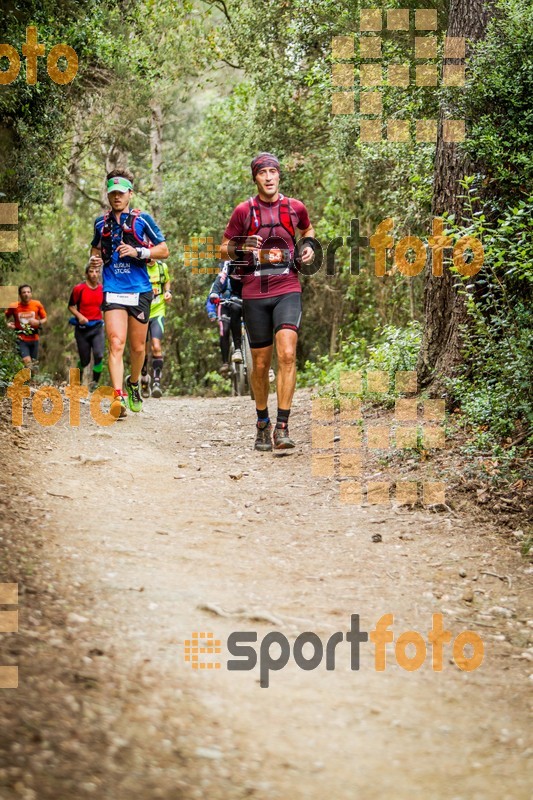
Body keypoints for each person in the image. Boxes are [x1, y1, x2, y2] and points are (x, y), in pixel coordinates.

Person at [220, 153, 315, 451]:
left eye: (274, 171)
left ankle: (283, 426)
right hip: (254, 291)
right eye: (264, 173)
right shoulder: (243, 211)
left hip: (287, 286)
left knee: (287, 353)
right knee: (260, 364)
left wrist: (308, 246)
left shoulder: (295, 207)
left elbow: (307, 230)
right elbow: (223, 249)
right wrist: (240, 245)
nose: (269, 177)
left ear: (279, 176)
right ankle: (263, 422)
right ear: (256, 178)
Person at [88, 168, 169, 418]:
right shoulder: (101, 223)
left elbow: (164, 250)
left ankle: (134, 383)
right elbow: (94, 250)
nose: (116, 197)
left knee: (137, 349)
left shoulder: (142, 220)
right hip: (113, 289)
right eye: (112, 193)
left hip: (140, 290)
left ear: (130, 194)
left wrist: (139, 252)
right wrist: (94, 262)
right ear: (108, 194)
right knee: (115, 343)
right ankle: (118, 396)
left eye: (121, 193)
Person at [68, 263, 105, 390]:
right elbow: (71, 306)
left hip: (97, 327)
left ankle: (94, 384)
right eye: (91, 271)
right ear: (86, 274)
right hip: (82, 329)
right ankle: (76, 381)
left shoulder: (102, 289)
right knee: (85, 360)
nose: (94, 274)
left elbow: (105, 307)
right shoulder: (79, 289)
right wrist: (80, 317)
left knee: (99, 355)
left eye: (96, 271)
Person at [141, 259, 172, 399]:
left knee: (156, 346)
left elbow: (166, 280)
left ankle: (157, 383)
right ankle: (143, 379)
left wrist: (168, 292)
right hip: (141, 312)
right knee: (141, 349)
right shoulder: (139, 266)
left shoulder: (162, 267)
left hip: (158, 311)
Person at [206, 261, 243, 376]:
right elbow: (210, 298)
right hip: (224, 306)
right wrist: (211, 312)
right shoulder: (221, 281)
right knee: (225, 330)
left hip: (241, 306)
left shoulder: (243, 277)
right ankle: (225, 363)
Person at [5, 285, 47, 368]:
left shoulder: (37, 304)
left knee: (33, 364)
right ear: (20, 295)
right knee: (27, 362)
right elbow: (4, 316)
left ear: (31, 294)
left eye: (28, 292)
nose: (26, 294)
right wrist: (7, 324)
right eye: (24, 292)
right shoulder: (14, 305)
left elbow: (45, 318)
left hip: (34, 338)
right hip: (21, 339)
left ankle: (31, 380)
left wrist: (38, 322)